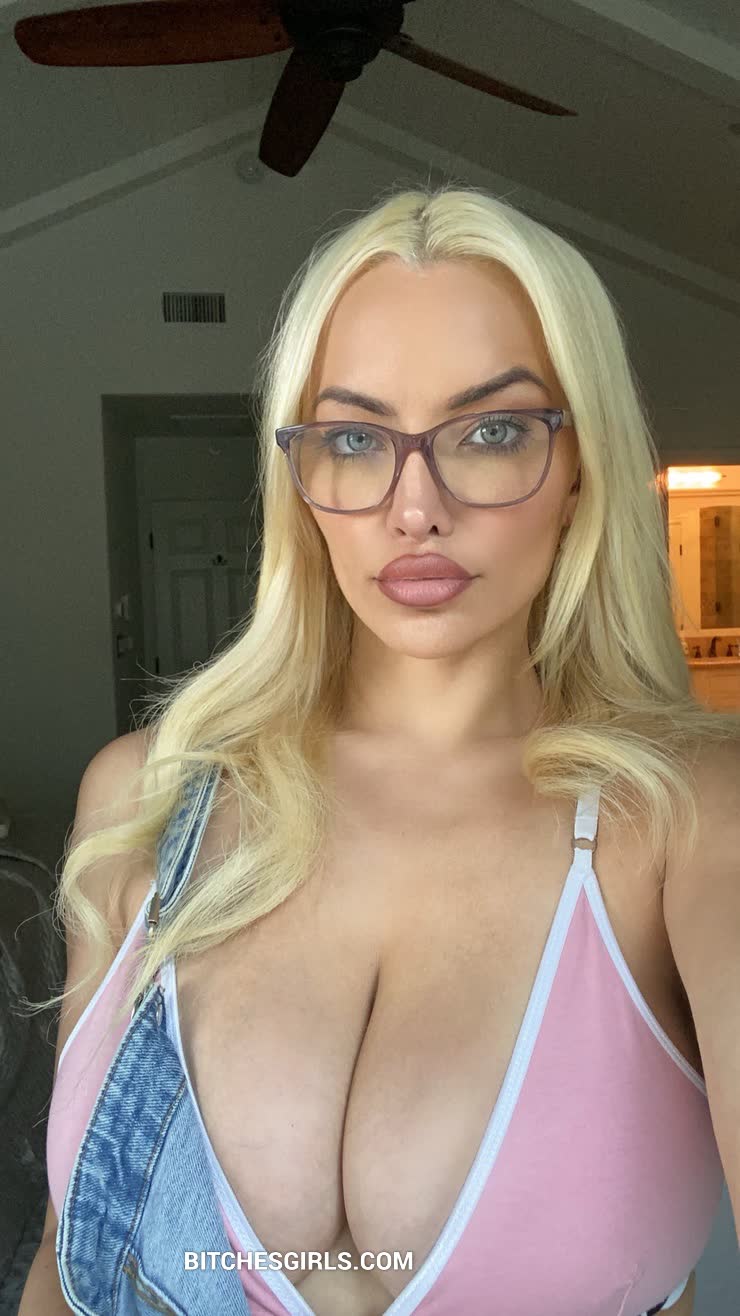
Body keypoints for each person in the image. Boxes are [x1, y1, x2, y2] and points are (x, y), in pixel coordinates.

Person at [20, 183, 740, 1316]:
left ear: (579, 471)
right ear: (302, 484)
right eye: (355, 439)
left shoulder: (688, 822)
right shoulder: (146, 799)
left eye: (491, 431)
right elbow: (66, 1268)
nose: (415, 507)